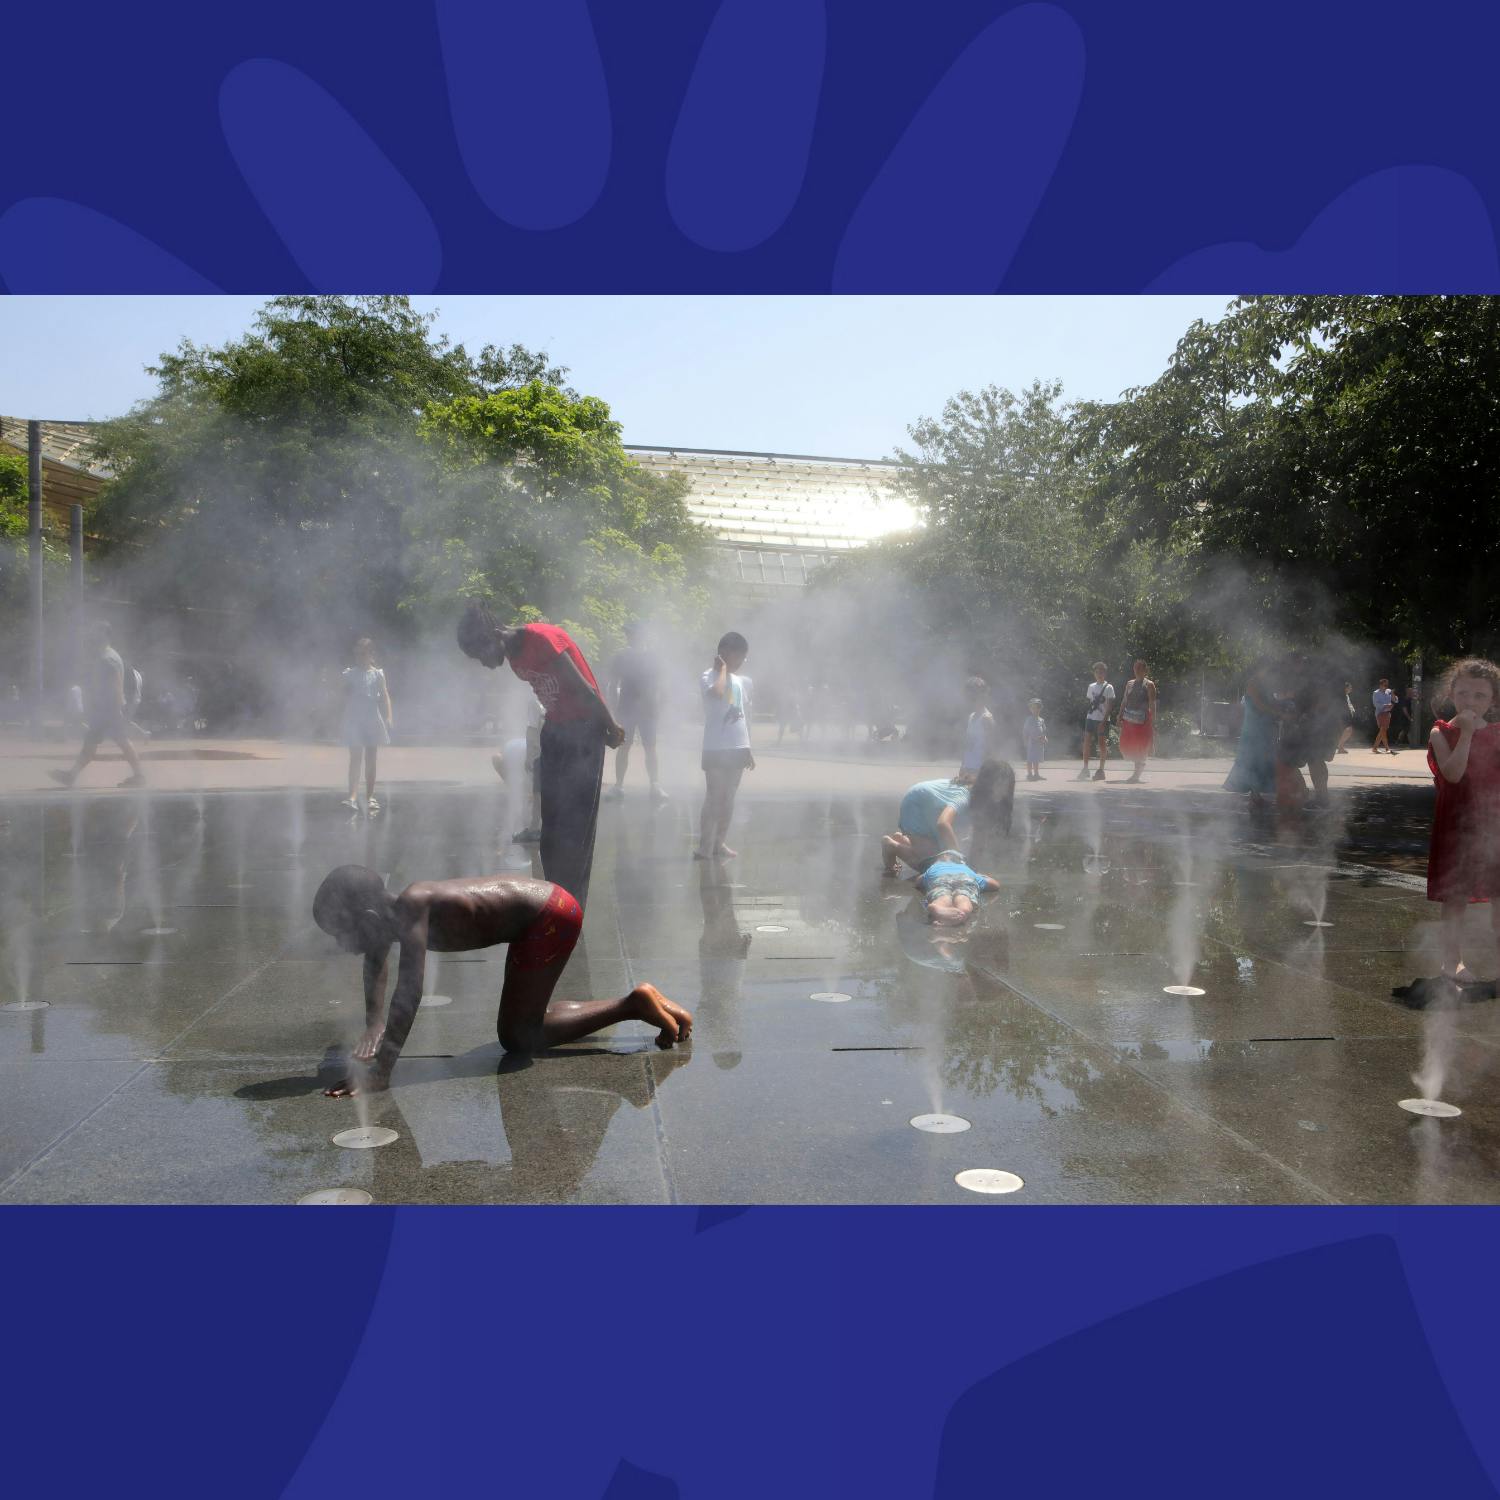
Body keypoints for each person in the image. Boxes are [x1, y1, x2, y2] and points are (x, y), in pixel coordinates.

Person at [313, 865, 692, 1096]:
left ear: (365, 915)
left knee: (519, 1037)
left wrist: (381, 1073)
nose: (340, 944)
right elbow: (375, 965)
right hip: (539, 913)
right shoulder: (386, 920)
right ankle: (644, 1001)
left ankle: (633, 1004)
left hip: (549, 917)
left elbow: (409, 991)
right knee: (524, 1026)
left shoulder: (413, 905)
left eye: (339, 932)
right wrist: (374, 1024)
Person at [457, 604, 624, 911]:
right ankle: (555, 901)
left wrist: (610, 726)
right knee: (552, 828)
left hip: (584, 732)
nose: (483, 664)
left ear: (495, 635)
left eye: (481, 655)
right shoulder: (514, 658)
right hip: (556, 733)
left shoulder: (541, 639)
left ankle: (572, 907)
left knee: (577, 828)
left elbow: (584, 688)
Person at [1425, 658, 1500, 983]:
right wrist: (1466, 735)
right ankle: (1451, 961)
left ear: (1492, 701)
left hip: (1493, 823)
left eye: (1480, 696)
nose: (1471, 701)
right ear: (1451, 693)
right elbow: (1453, 774)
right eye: (1464, 693)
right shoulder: (1440, 732)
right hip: (1457, 825)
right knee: (1456, 896)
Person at [48, 621, 146, 789]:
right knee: (95, 742)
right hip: (105, 709)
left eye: (98, 632)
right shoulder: (104, 655)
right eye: (94, 632)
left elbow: (116, 684)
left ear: (106, 635)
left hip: (109, 709)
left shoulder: (108, 658)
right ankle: (72, 775)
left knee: (117, 741)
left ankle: (139, 776)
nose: (94, 636)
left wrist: (116, 708)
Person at [881, 760, 1014, 876]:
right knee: (935, 866)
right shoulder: (964, 795)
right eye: (1000, 785)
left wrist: (972, 869)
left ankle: (903, 841)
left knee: (942, 857)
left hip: (930, 810)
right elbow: (943, 824)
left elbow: (980, 836)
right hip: (917, 805)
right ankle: (892, 846)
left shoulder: (985, 803)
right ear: (987, 784)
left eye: (1006, 786)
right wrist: (958, 863)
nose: (1003, 791)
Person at [697, 632, 754, 860]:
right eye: (739, 657)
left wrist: (748, 748)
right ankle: (705, 845)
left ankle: (719, 842)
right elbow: (718, 693)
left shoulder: (741, 682)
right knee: (714, 796)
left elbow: (743, 715)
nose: (741, 662)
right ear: (724, 654)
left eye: (744, 658)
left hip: (738, 747)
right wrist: (721, 669)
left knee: (729, 798)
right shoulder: (708, 676)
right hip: (716, 747)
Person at [603, 621, 666, 804]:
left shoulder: (653, 657)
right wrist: (612, 710)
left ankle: (655, 785)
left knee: (651, 747)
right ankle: (619, 785)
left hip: (648, 709)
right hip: (626, 708)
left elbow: (660, 684)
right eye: (628, 634)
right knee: (624, 746)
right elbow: (613, 684)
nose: (630, 637)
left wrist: (658, 706)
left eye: (633, 634)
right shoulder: (621, 657)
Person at [340, 637, 392, 814]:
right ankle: (352, 797)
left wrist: (389, 716)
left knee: (371, 759)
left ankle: (370, 796)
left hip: (371, 718)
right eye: (357, 654)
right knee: (355, 758)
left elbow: (385, 696)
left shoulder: (377, 674)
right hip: (354, 718)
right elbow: (342, 696)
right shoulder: (349, 673)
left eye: (363, 654)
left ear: (371, 655)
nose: (359, 657)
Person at [1224, 658, 1285, 801]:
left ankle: (1257, 793)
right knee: (1253, 759)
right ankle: (1255, 794)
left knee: (1263, 759)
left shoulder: (1265, 684)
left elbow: (1270, 702)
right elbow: (1259, 705)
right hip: (1254, 728)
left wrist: (1281, 705)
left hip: (1265, 727)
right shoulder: (1253, 683)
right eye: (1267, 668)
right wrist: (1278, 712)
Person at [917, 849, 1000, 926]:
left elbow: (918, 881)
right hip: (964, 877)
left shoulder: (933, 868)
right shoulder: (966, 869)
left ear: (943, 858)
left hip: (939, 877)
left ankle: (938, 906)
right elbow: (995, 885)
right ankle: (962, 912)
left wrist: (923, 879)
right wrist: (983, 876)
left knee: (942, 896)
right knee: (963, 897)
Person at [1117, 660, 1156, 784]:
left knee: (1140, 746)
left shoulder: (1149, 684)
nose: (1137, 670)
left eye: (1140, 668)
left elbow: (1152, 704)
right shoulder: (1129, 683)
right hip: (1129, 719)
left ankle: (1136, 774)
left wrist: (1152, 721)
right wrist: (1119, 715)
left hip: (1143, 720)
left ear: (1145, 670)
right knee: (1130, 745)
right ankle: (1137, 772)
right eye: (1135, 668)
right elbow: (1124, 700)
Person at [1078, 661, 1115, 781]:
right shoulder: (1091, 686)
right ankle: (1085, 769)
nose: (1099, 674)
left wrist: (1104, 722)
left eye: (1101, 671)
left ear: (1105, 673)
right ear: (1094, 673)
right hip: (1090, 718)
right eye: (1097, 671)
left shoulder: (1109, 687)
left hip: (1102, 720)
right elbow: (1090, 702)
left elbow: (1109, 707)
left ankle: (1101, 770)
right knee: (1086, 743)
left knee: (1102, 744)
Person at [957, 676, 998, 782]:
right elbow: (967, 745)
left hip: (979, 771)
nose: (969, 699)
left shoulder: (987, 718)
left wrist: (983, 775)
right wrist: (962, 766)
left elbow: (991, 750)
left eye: (973, 696)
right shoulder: (971, 717)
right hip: (967, 769)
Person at [1022, 698, 1048, 780]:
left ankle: (1036, 774)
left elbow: (1044, 731)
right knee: (1030, 759)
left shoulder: (1041, 720)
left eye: (1037, 707)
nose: (1035, 710)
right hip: (1031, 742)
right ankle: (1029, 774)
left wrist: (1045, 738)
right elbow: (1025, 731)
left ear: (1040, 708)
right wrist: (1025, 741)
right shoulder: (1029, 719)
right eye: (1033, 708)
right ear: (1030, 709)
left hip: (1039, 743)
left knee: (1036, 759)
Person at [1372, 677, 1396, 753]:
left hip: (1387, 713)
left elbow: (1396, 700)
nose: (1386, 687)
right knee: (1383, 730)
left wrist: (1392, 694)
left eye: (1387, 685)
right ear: (1380, 685)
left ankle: (1375, 748)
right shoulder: (1376, 693)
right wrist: (1386, 705)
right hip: (1380, 713)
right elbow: (1375, 704)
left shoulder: (1388, 691)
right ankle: (1387, 748)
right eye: (1384, 685)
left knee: (1383, 730)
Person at [1336, 681, 1357, 754]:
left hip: (1346, 715)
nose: (1351, 689)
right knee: (1348, 730)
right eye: (1349, 687)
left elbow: (1349, 705)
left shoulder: (1346, 695)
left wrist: (1352, 710)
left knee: (1347, 731)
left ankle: (1340, 747)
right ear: (1345, 688)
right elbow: (1341, 706)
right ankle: (1339, 746)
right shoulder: (1341, 696)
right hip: (1342, 715)